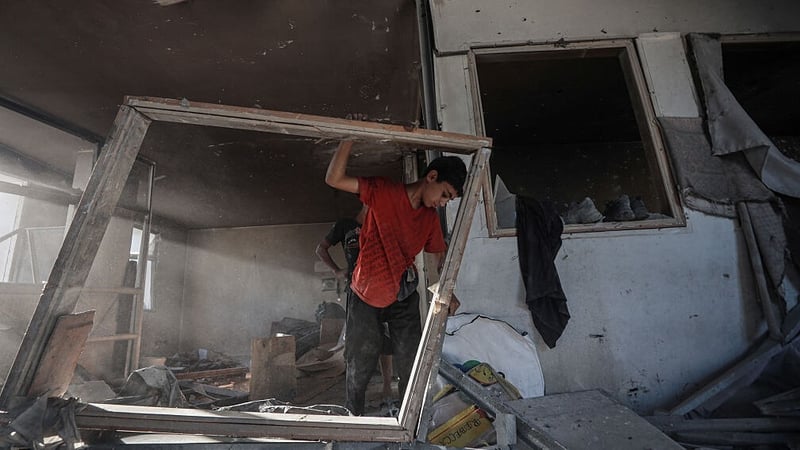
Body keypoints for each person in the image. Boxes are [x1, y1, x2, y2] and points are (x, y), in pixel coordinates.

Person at [325, 139, 464, 416]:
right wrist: (350, 137)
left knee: (409, 358)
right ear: (432, 177)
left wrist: (447, 291)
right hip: (366, 290)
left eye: (448, 200)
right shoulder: (383, 192)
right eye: (445, 194)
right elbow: (334, 178)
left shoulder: (429, 220)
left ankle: (406, 420)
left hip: (402, 292)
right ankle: (354, 418)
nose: (442, 204)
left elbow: (438, 259)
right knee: (361, 357)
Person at [314, 204, 395, 402]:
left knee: (384, 339)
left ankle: (386, 386)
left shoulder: (381, 225)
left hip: (381, 290)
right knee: (357, 341)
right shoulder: (345, 225)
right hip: (356, 291)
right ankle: (357, 393)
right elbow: (321, 249)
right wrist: (336, 271)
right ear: (366, 202)